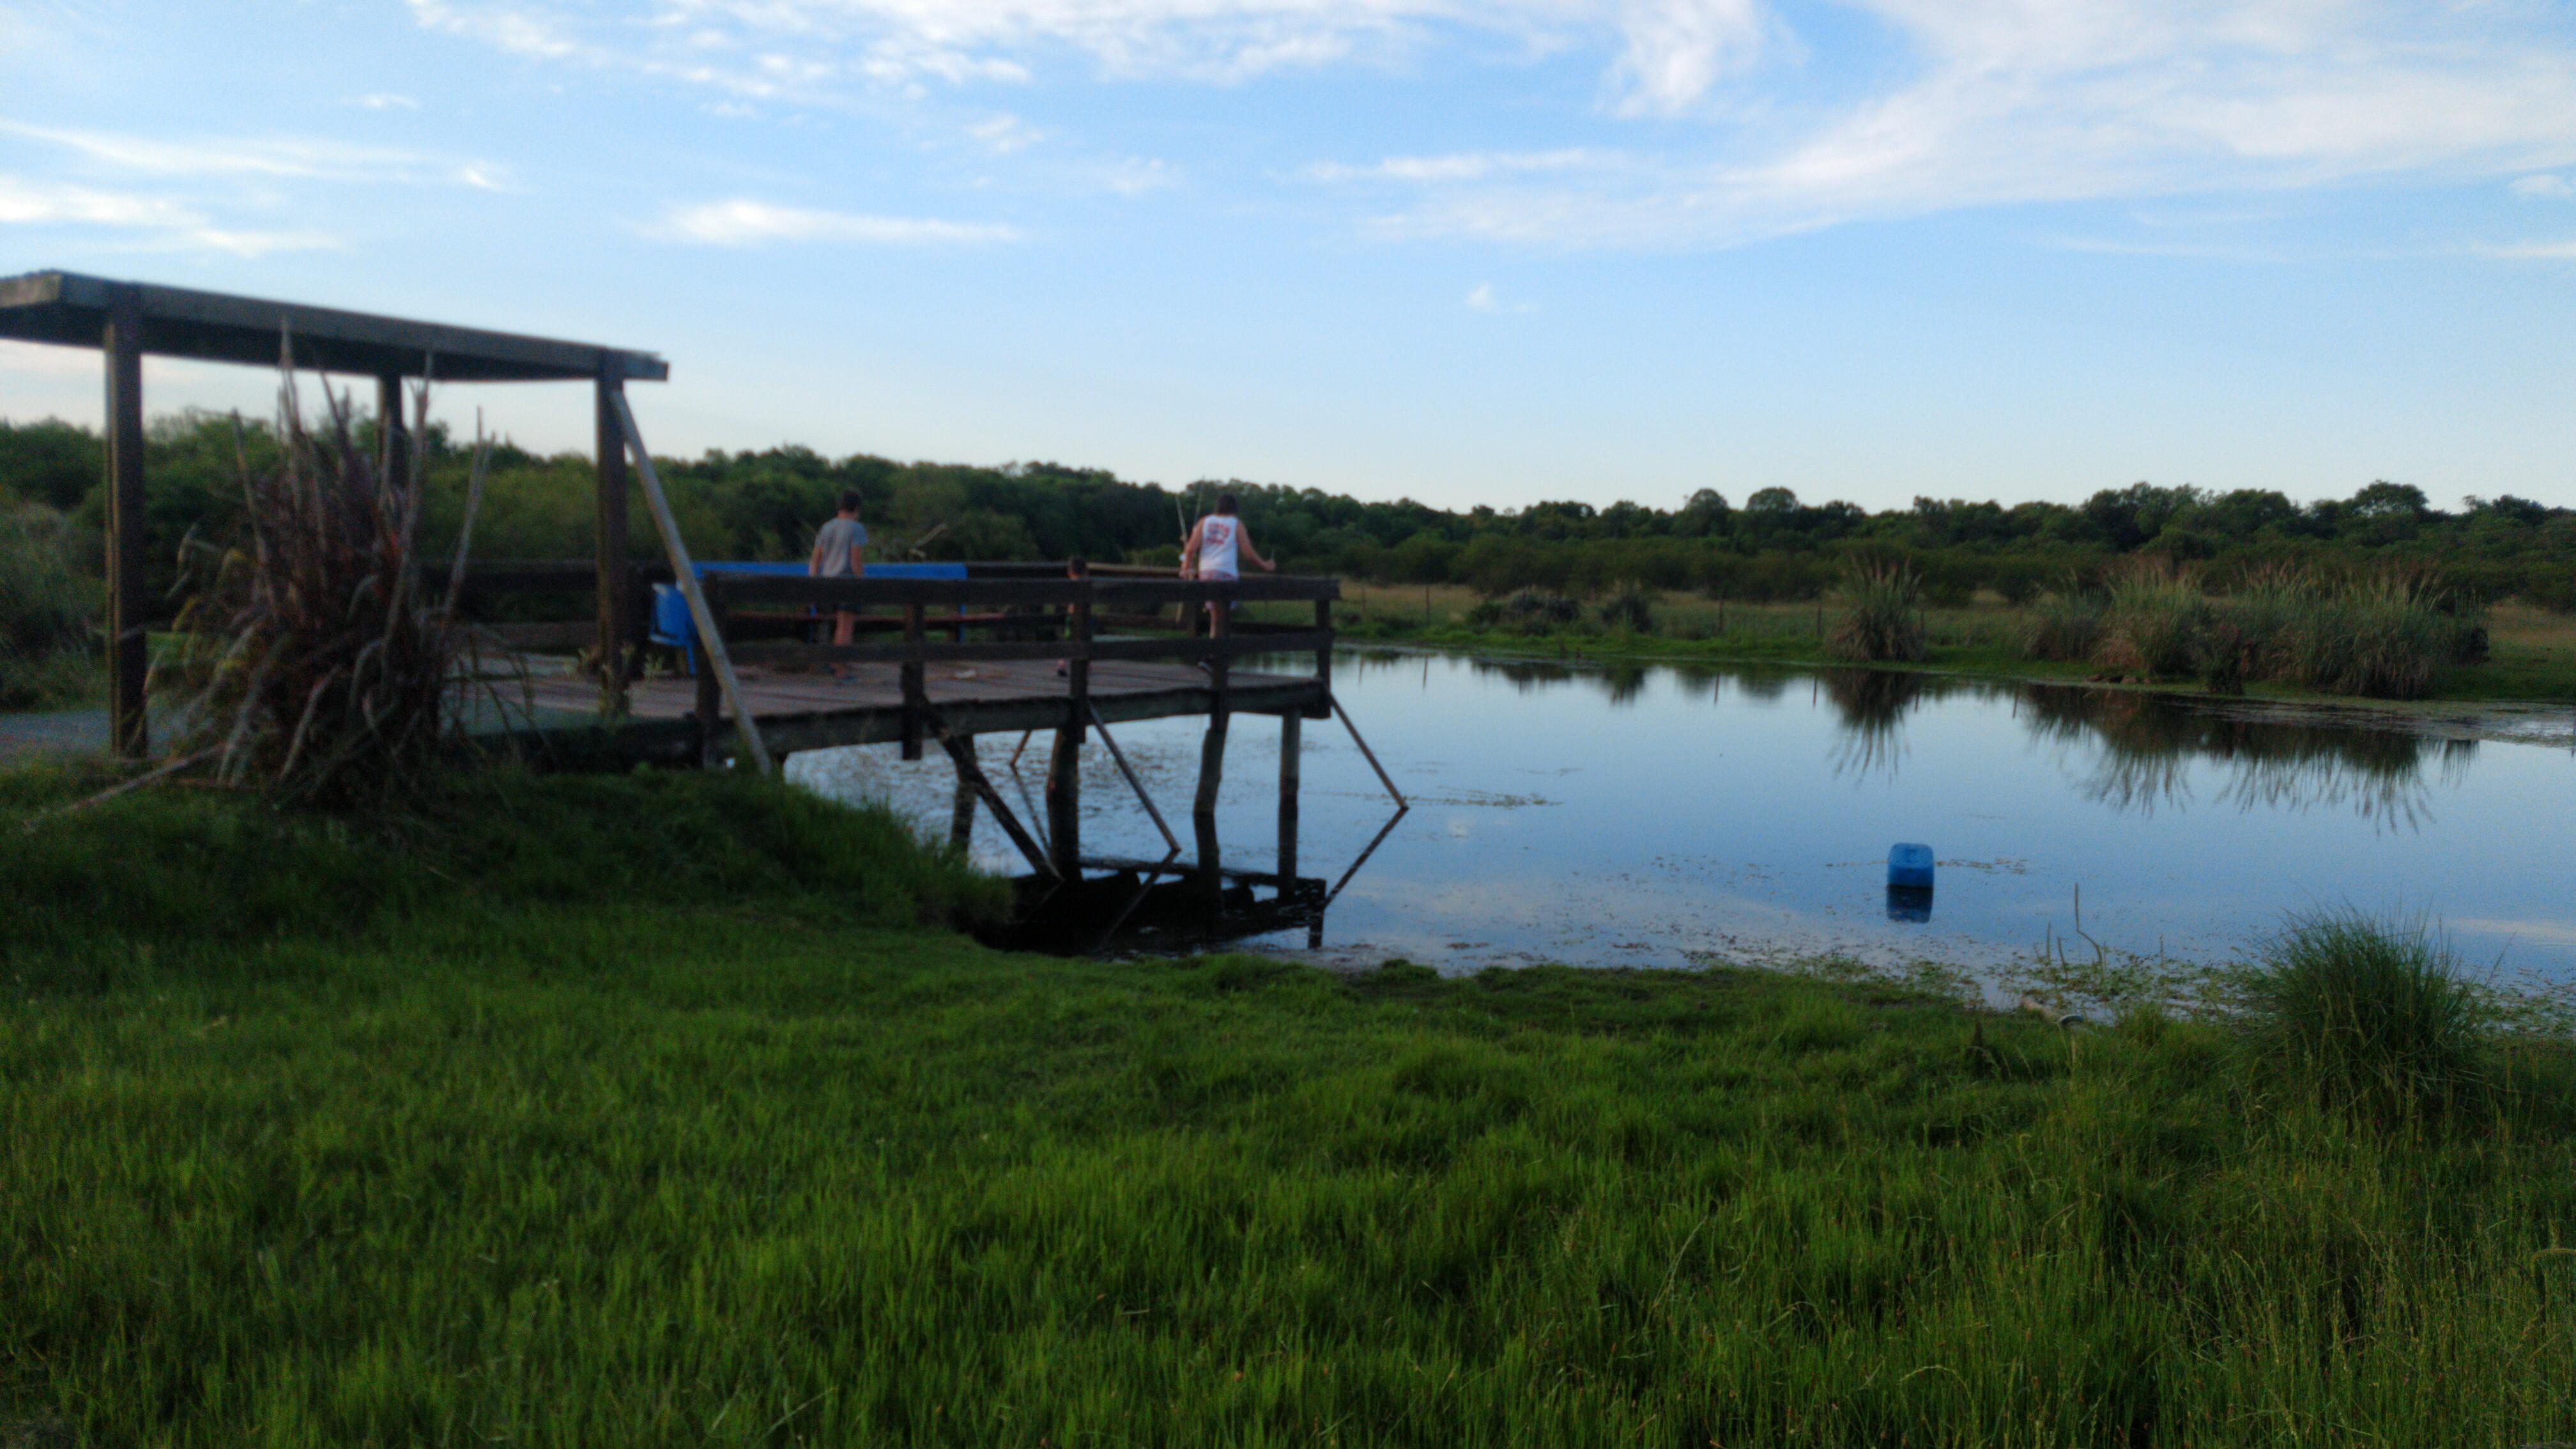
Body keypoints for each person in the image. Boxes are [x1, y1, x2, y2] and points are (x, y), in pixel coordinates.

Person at [808, 490, 869, 650]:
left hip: (827, 582)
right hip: (847, 582)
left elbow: (815, 559)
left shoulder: (826, 527)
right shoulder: (856, 529)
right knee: (845, 626)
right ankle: (840, 668)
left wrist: (812, 583)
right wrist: (862, 582)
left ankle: (825, 662)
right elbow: (855, 560)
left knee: (827, 625)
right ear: (857, 508)